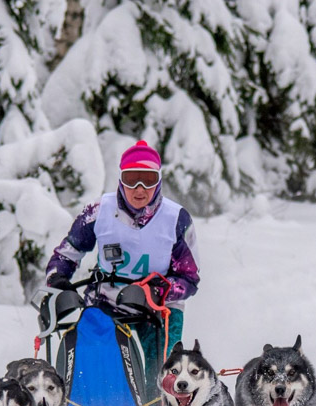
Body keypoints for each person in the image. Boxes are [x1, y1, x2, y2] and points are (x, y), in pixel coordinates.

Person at [44, 139, 200, 377]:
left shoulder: (176, 219)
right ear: (121, 180)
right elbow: (67, 253)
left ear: (158, 181)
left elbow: (189, 278)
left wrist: (163, 291)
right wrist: (57, 278)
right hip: (108, 301)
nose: (139, 189)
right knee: (98, 369)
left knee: (161, 373)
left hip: (159, 307)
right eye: (131, 179)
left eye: (147, 180)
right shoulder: (97, 212)